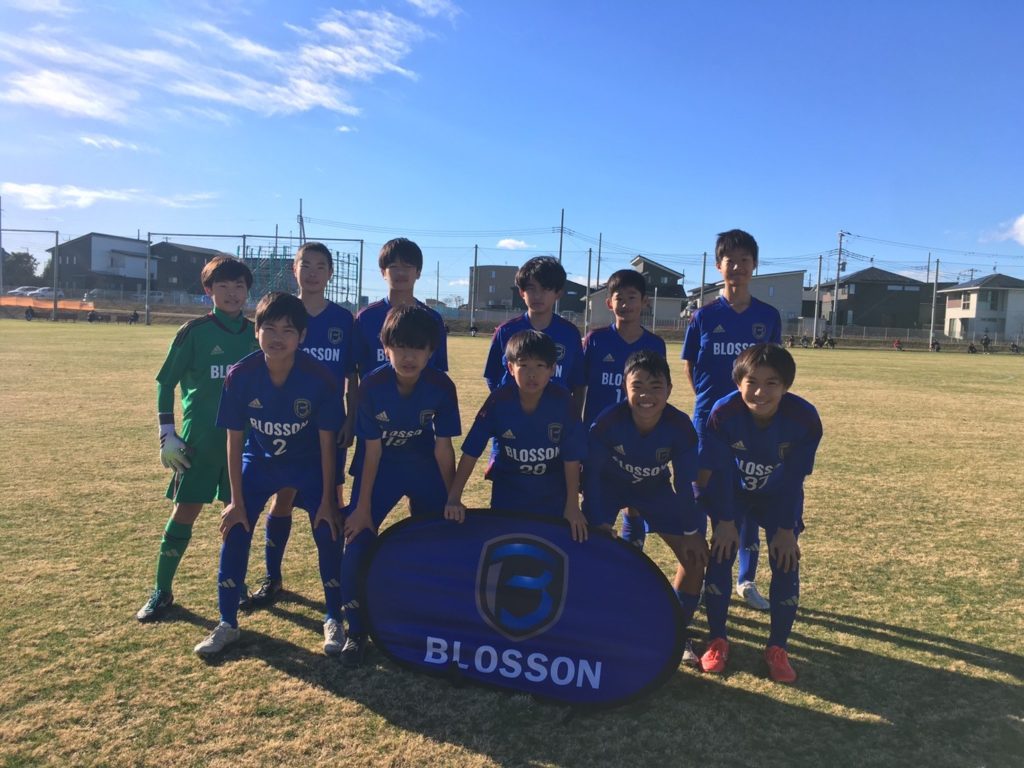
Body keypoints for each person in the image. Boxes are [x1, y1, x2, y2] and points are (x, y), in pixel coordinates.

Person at [194, 292, 345, 656]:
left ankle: (334, 617)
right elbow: (234, 440)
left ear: (302, 336)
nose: (278, 337)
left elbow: (328, 444)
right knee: (236, 528)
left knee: (328, 530)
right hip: (259, 463)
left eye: (288, 330)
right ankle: (227, 623)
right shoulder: (240, 375)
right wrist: (235, 501)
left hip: (308, 464)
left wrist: (328, 499)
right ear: (256, 331)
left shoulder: (320, 378)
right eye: (270, 328)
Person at [136, 256, 256, 622]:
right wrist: (166, 431)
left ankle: (236, 584)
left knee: (238, 515)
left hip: (244, 444)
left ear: (248, 291)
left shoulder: (257, 333)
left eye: (239, 287)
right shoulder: (194, 331)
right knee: (185, 512)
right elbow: (165, 382)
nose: (232, 293)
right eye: (223, 287)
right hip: (199, 442)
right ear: (208, 291)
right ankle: (162, 590)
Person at [340, 304, 461, 668]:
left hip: (423, 467)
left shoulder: (441, 386)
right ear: (386, 347)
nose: (409, 357)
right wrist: (362, 508)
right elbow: (372, 452)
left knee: (441, 540)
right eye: (401, 347)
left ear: (431, 351)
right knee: (357, 540)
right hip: (382, 470)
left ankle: (431, 619)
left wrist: (453, 497)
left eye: (418, 348)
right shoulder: (372, 386)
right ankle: (356, 630)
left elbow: (443, 448)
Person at [697, 344, 822, 682]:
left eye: (771, 383)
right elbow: (718, 471)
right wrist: (724, 520)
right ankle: (717, 639)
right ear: (738, 382)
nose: (760, 392)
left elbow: (794, 477)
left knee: (785, 559)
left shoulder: (804, 419)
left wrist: (786, 528)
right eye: (752, 382)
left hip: (777, 496)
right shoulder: (724, 413)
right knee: (721, 553)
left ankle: (777, 647)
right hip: (733, 493)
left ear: (786, 386)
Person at [245, 242, 357, 610]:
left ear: (330, 274)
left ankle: (338, 587)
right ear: (294, 270)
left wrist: (351, 417)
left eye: (320, 266)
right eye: (305, 265)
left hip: (327, 425)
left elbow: (352, 374)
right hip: (281, 425)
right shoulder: (279, 313)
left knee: (331, 500)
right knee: (282, 496)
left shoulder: (343, 319)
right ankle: (272, 577)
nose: (312, 272)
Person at [582, 350, 709, 664]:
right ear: (624, 388)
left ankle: (675, 631)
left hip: (654, 489)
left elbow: (686, 484)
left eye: (655, 387)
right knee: (583, 552)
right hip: (609, 488)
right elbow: (592, 477)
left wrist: (692, 530)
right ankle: (589, 625)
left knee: (694, 558)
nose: (646, 395)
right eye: (637, 386)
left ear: (669, 389)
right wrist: (597, 520)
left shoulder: (680, 427)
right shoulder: (607, 422)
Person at [680, 229, 782, 612]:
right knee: (702, 495)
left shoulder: (767, 317)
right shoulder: (704, 316)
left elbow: (774, 370)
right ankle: (700, 578)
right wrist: (713, 403)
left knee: (749, 498)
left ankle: (746, 580)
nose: (737, 267)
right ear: (718, 266)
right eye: (730, 261)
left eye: (744, 260)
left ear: (754, 265)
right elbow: (690, 366)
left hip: (753, 424)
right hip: (709, 423)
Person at [445, 330, 587, 540]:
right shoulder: (498, 401)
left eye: (540, 366)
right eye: (524, 365)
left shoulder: (563, 402)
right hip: (508, 495)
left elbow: (572, 457)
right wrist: (454, 497)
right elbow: (471, 450)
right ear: (511, 368)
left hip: (552, 496)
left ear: (552, 369)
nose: (532, 374)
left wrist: (572, 506)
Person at [581, 268, 666, 548]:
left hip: (636, 435)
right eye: (619, 298)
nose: (626, 304)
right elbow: (580, 387)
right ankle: (593, 552)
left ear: (644, 302)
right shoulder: (595, 340)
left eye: (632, 297)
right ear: (609, 303)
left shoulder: (655, 344)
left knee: (635, 499)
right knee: (595, 499)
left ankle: (634, 547)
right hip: (598, 436)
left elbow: (659, 390)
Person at [483, 256, 585, 418]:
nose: (537, 295)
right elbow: (492, 375)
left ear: (558, 293)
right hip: (512, 419)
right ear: (522, 292)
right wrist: (507, 405)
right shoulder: (506, 331)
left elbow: (578, 383)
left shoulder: (570, 333)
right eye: (531, 288)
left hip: (554, 419)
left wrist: (573, 418)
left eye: (545, 289)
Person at [352, 238, 448, 379]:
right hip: (376, 393)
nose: (401, 272)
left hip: (421, 394)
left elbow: (439, 370)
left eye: (408, 266)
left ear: (418, 272)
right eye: (394, 266)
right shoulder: (366, 317)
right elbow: (352, 369)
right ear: (383, 272)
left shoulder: (432, 318)